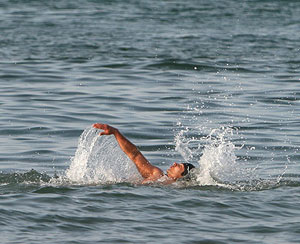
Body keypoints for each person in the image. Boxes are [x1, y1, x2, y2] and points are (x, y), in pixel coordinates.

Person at [93, 123, 195, 184]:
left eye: (180, 166)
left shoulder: (165, 180)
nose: (175, 163)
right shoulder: (157, 174)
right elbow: (135, 155)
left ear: (182, 176)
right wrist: (116, 133)